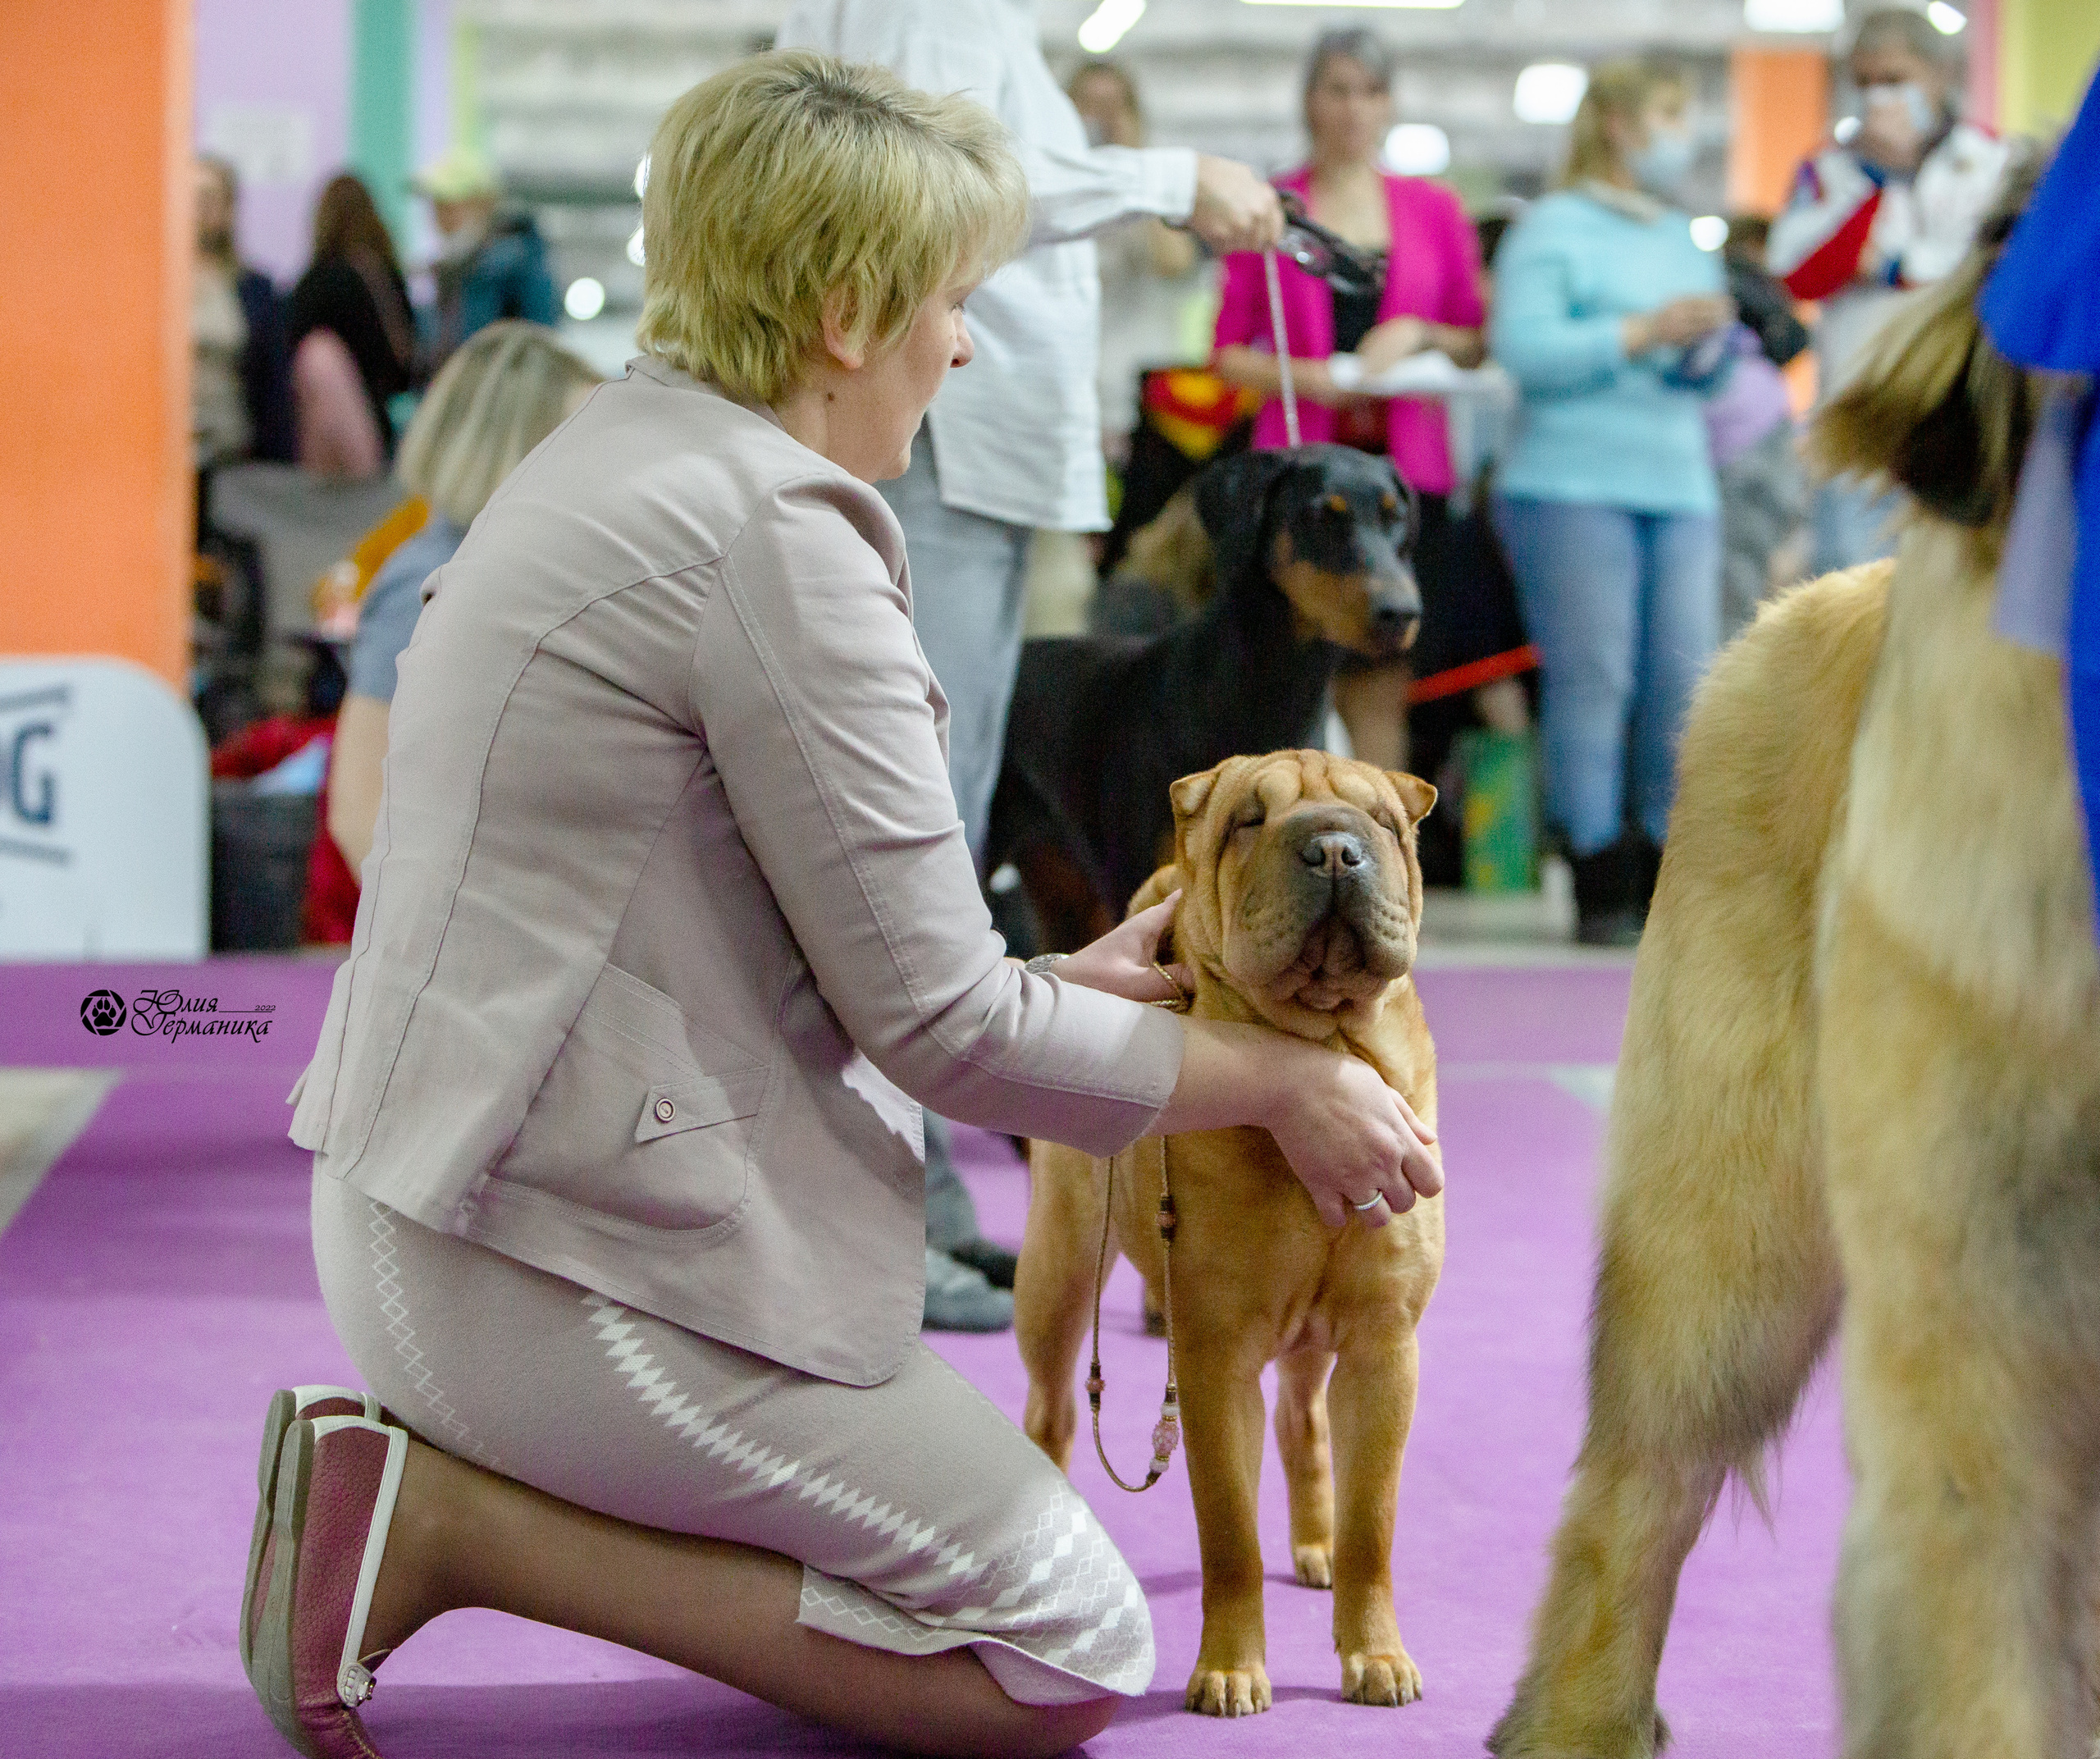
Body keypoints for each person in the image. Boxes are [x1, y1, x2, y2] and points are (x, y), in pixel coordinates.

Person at [244, 55, 1441, 1759]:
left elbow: (801, 940)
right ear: (839, 309)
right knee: (1068, 1647)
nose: (963, 345)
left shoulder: (613, 458)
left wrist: (1054, 978)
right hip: (550, 1270)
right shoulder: (780, 537)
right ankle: (445, 1524)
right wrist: (1292, 1081)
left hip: (432, 1206)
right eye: (955, 302)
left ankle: (458, 1485)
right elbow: (942, 1030)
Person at [774, 0, 1285, 1332]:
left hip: (966, 451)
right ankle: (881, 1216)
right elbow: (942, 177)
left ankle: (921, 1196)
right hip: (938, 446)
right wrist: (1175, 180)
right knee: (907, 825)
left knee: (937, 827)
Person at [1488, 59, 1733, 945]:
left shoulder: (1681, 234)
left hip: (1677, 478)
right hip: (1567, 481)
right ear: (1620, 125)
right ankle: (1596, 872)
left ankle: (1665, 863)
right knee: (1594, 679)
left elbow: (1707, 375)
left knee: (1683, 679)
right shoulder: (1551, 226)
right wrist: (1637, 332)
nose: (1684, 136)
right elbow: (1521, 349)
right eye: (1670, 113)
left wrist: (1714, 346)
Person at [1212, 26, 1488, 773]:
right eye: (1337, 89)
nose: (1354, 109)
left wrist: (1418, 332)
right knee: (1283, 675)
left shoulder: (1434, 210)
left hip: (1401, 483)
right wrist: (1306, 377)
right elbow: (1227, 351)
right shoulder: (1271, 208)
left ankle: (1386, 865)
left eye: (1370, 91)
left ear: (1390, 104)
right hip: (1303, 475)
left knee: (1381, 676)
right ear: (1309, 101)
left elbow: (1476, 337)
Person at [326, 321, 600, 884]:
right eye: (581, 439)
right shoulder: (424, 583)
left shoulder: (525, 571)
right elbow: (360, 810)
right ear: (514, 447)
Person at [1767, 7, 2011, 575]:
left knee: (1958, 580)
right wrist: (1877, 183)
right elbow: (1799, 272)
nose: (1880, 98)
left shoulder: (1991, 159)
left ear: (1940, 75)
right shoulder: (1830, 167)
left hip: (1957, 407)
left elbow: (1989, 272)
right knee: (1850, 585)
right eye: (1865, 84)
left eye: (1896, 79)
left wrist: (1893, 266)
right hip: (1859, 408)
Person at [1066, 60, 1212, 468]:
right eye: (1089, 106)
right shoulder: (1056, 197)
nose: (1100, 120)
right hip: (1070, 391)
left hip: (1136, 395)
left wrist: (1136, 164)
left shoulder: (1155, 187)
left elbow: (1174, 262)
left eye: (1113, 107)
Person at [1710, 215, 1810, 642]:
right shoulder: (1757, 286)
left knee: (1735, 575)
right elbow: (1795, 341)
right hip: (1763, 423)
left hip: (1733, 434)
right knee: (1753, 564)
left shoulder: (1715, 282)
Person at [290, 174, 420, 478]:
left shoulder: (312, 284)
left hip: (315, 432)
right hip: (376, 421)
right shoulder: (383, 278)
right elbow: (403, 361)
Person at [413, 145, 560, 369]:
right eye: (436, 205)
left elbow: (539, 344)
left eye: (449, 205)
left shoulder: (515, 265)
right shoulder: (456, 267)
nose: (439, 217)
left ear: (484, 204)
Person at [193, 155, 294, 471]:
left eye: (208, 197)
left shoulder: (255, 289)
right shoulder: (149, 286)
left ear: (227, 209)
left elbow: (272, 386)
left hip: (233, 453)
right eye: (188, 197)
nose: (197, 208)